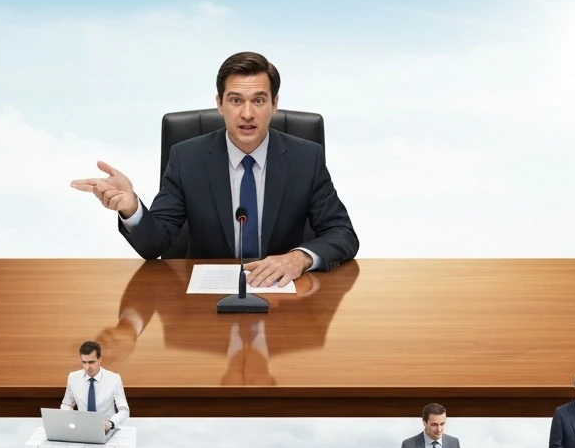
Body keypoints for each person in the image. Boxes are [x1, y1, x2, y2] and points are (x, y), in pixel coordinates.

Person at [71, 51, 359, 288]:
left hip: (285, 299)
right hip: (205, 302)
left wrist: (300, 258)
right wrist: (132, 208)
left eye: (259, 100)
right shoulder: (187, 158)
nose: (247, 114)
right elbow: (155, 245)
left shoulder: (306, 158)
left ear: (274, 104)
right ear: (219, 104)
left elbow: (342, 233)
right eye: (235, 100)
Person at [61, 340, 129, 434]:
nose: (87, 367)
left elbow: (124, 410)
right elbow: (66, 404)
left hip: (106, 430)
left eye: (91, 362)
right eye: (84, 362)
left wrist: (111, 423)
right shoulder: (73, 378)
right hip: (82, 429)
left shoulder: (114, 379)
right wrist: (73, 418)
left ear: (99, 360)